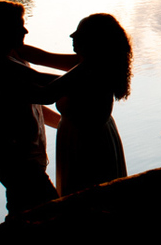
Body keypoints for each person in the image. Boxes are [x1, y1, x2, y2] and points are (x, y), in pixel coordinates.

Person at [20, 13, 130, 197]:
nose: (72, 35)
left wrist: (4, 69)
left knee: (86, 197)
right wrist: (5, 48)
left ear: (94, 41)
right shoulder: (96, 62)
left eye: (79, 33)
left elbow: (46, 94)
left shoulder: (88, 68)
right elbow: (43, 58)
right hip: (96, 135)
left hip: (86, 144)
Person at [0, 0, 63, 217]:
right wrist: (89, 72)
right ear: (3, 30)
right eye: (19, 25)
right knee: (52, 211)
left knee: (23, 209)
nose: (25, 30)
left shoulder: (10, 57)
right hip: (14, 160)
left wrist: (63, 125)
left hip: (17, 158)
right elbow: (47, 91)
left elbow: (36, 105)